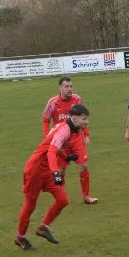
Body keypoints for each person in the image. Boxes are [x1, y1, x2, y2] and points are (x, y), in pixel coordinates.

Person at [15, 103, 90, 251]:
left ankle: (43, 228)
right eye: (84, 119)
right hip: (35, 169)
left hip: (47, 168)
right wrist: (56, 173)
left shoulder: (68, 127)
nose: (87, 122)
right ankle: (21, 237)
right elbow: (50, 152)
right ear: (74, 118)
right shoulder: (65, 130)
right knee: (30, 205)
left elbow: (53, 146)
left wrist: (66, 157)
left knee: (63, 200)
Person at [42, 76, 98, 204]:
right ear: (60, 87)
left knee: (84, 166)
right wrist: (48, 138)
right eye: (66, 86)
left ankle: (86, 196)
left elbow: (83, 117)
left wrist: (86, 134)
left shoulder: (77, 99)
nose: (69, 89)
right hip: (61, 142)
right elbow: (45, 121)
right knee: (61, 171)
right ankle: (60, 198)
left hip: (76, 138)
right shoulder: (53, 102)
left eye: (71, 86)